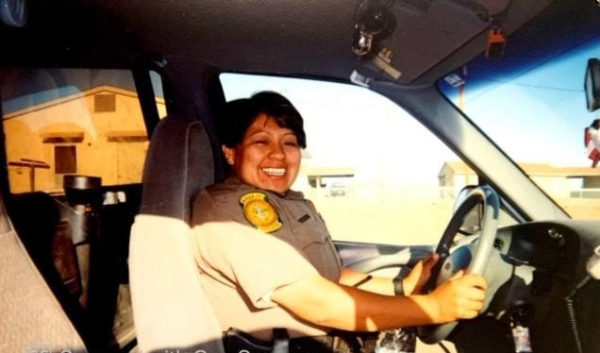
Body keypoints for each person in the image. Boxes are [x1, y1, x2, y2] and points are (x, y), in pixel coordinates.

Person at [191, 91, 487, 352]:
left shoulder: (286, 201)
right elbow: (314, 299)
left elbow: (327, 275)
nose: (279, 155)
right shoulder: (230, 210)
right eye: (261, 141)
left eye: (290, 143)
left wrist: (402, 287)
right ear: (231, 151)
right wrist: (434, 307)